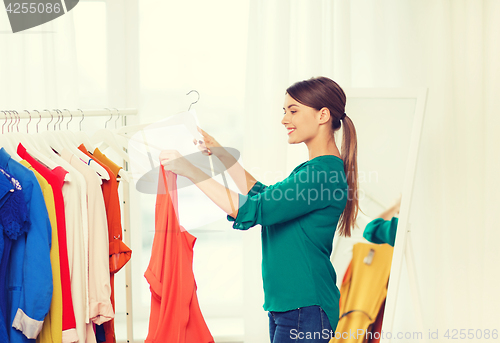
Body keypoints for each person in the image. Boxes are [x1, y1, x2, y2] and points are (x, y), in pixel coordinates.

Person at [159, 76, 359, 343]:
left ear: (323, 115)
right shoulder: (316, 170)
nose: (285, 119)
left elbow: (253, 209)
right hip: (292, 307)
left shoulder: (321, 173)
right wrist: (222, 155)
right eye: (284, 111)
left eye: (293, 111)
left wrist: (192, 172)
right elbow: (264, 196)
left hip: (304, 307)